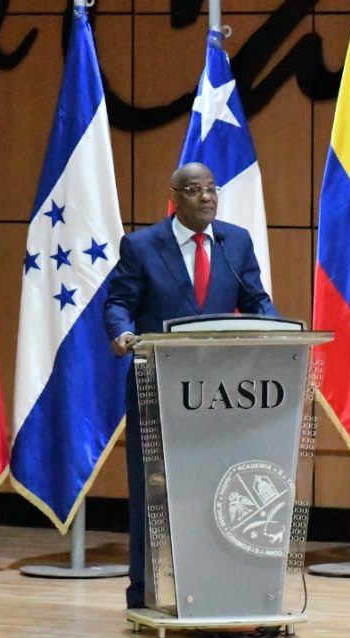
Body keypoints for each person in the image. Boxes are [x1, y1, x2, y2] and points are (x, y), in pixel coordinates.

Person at [104, 162, 276, 609]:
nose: (207, 197)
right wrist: (122, 333)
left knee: (215, 490)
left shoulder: (235, 242)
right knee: (154, 492)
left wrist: (276, 331)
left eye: (212, 189)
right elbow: (119, 303)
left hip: (221, 393)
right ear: (175, 196)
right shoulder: (142, 246)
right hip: (157, 386)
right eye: (196, 189)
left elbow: (256, 300)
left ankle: (214, 589)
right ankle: (146, 593)